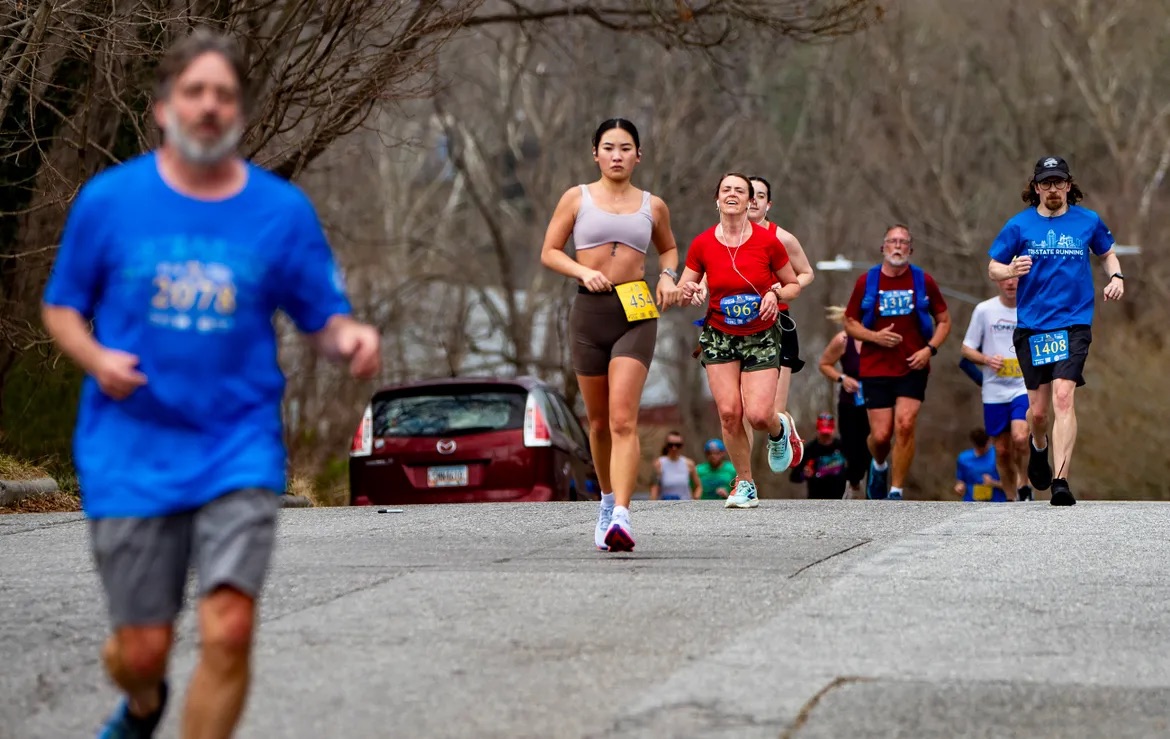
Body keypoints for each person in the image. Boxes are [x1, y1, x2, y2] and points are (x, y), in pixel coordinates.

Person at [39, 28, 381, 739]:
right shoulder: (110, 201)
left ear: (241, 113)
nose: (208, 106)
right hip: (131, 447)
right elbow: (62, 307)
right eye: (193, 91)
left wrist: (347, 337)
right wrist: (97, 359)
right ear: (163, 107)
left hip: (236, 444)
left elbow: (321, 317)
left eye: (223, 94)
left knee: (229, 628)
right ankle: (142, 703)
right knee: (142, 652)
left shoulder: (279, 211)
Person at [539, 117, 681, 551]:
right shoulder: (577, 198)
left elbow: (669, 249)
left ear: (638, 156)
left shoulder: (653, 205)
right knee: (598, 423)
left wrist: (668, 276)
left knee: (623, 419)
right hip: (589, 313)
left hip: (635, 311)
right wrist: (583, 271)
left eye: (625, 148)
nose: (617, 156)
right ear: (595, 154)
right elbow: (549, 251)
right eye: (608, 148)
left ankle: (623, 513)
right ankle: (604, 502)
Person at [987, 155, 1124, 506]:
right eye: (1046, 183)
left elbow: (1107, 253)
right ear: (1036, 188)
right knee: (1039, 413)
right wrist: (1010, 270)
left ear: (1068, 185)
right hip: (1033, 326)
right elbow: (993, 267)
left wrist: (1116, 276)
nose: (1053, 189)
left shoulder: (1088, 220)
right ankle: (1039, 446)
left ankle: (1061, 480)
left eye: (1058, 182)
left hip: (1074, 323)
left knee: (1064, 396)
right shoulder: (1019, 225)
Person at [678, 172, 802, 509]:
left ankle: (779, 430)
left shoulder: (768, 242)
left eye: (740, 191)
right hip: (719, 336)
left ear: (750, 201)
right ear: (717, 199)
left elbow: (793, 284)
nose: (732, 194)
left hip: (760, 335)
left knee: (759, 415)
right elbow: (685, 286)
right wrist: (689, 290)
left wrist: (776, 294)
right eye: (726, 190)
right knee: (730, 413)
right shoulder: (703, 243)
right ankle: (745, 483)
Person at [844, 224, 951, 500]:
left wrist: (930, 349)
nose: (898, 246)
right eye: (893, 241)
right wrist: (874, 337)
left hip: (912, 365)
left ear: (910, 249)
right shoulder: (867, 282)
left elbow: (944, 320)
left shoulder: (923, 281)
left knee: (905, 424)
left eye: (903, 242)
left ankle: (896, 490)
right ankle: (879, 465)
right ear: (883, 247)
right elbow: (850, 322)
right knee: (881, 436)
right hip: (875, 366)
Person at [743, 175, 815, 468]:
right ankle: (743, 475)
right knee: (740, 412)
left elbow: (807, 273)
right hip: (735, 325)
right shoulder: (725, 237)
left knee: (770, 411)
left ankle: (782, 430)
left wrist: (782, 290)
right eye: (749, 194)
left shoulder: (782, 238)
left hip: (777, 323)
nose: (753, 201)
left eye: (760, 196)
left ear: (768, 204)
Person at [960, 276, 1032, 502]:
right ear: (997, 282)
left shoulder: (1032, 307)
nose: (1010, 283)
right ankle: (1011, 499)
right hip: (994, 390)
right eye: (1005, 279)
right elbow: (966, 349)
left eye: (1015, 279)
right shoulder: (984, 310)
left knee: (1020, 437)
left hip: (1023, 386)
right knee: (1001, 450)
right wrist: (986, 359)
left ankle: (1024, 483)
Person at [817, 306, 872, 498]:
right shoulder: (843, 340)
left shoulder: (880, 339)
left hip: (875, 402)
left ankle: (874, 489)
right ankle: (853, 483)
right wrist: (842, 378)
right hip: (850, 402)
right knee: (851, 448)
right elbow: (824, 364)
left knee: (874, 446)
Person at [789, 413, 849, 499]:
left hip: (840, 498)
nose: (825, 438)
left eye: (827, 434)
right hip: (816, 499)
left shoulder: (842, 447)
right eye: (823, 434)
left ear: (833, 430)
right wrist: (804, 474)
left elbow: (853, 469)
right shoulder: (809, 449)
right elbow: (794, 477)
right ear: (817, 430)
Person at [954, 428, 1008, 502]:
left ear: (989, 441)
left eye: (985, 447)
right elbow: (961, 480)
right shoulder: (964, 458)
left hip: (997, 502)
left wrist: (993, 483)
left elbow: (1013, 485)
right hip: (972, 502)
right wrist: (959, 487)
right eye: (979, 448)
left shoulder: (999, 454)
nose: (982, 450)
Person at [649, 430, 702, 500]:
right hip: (665, 503)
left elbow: (698, 486)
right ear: (666, 445)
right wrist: (652, 503)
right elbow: (654, 488)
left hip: (685, 503)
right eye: (670, 445)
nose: (674, 448)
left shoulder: (689, 463)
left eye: (678, 445)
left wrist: (696, 498)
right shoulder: (659, 463)